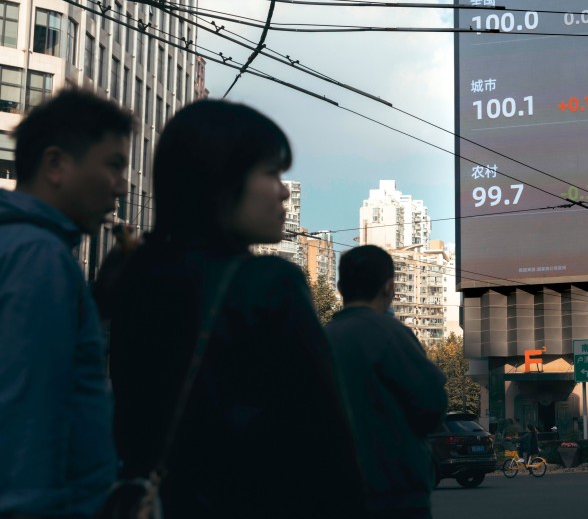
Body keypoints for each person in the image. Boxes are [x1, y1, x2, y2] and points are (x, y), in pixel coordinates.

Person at [107, 100, 363, 518]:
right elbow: (324, 440)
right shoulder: (268, 284)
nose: (283, 190)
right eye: (271, 173)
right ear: (221, 180)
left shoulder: (132, 274)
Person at [0, 89, 129, 518]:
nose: (122, 185)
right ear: (55, 165)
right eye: (113, 164)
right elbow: (27, 414)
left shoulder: (22, 244)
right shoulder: (40, 256)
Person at [324, 245, 448, 519]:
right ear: (390, 287)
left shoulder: (320, 340)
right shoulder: (391, 335)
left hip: (333, 490)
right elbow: (432, 406)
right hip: (395, 495)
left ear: (341, 287)